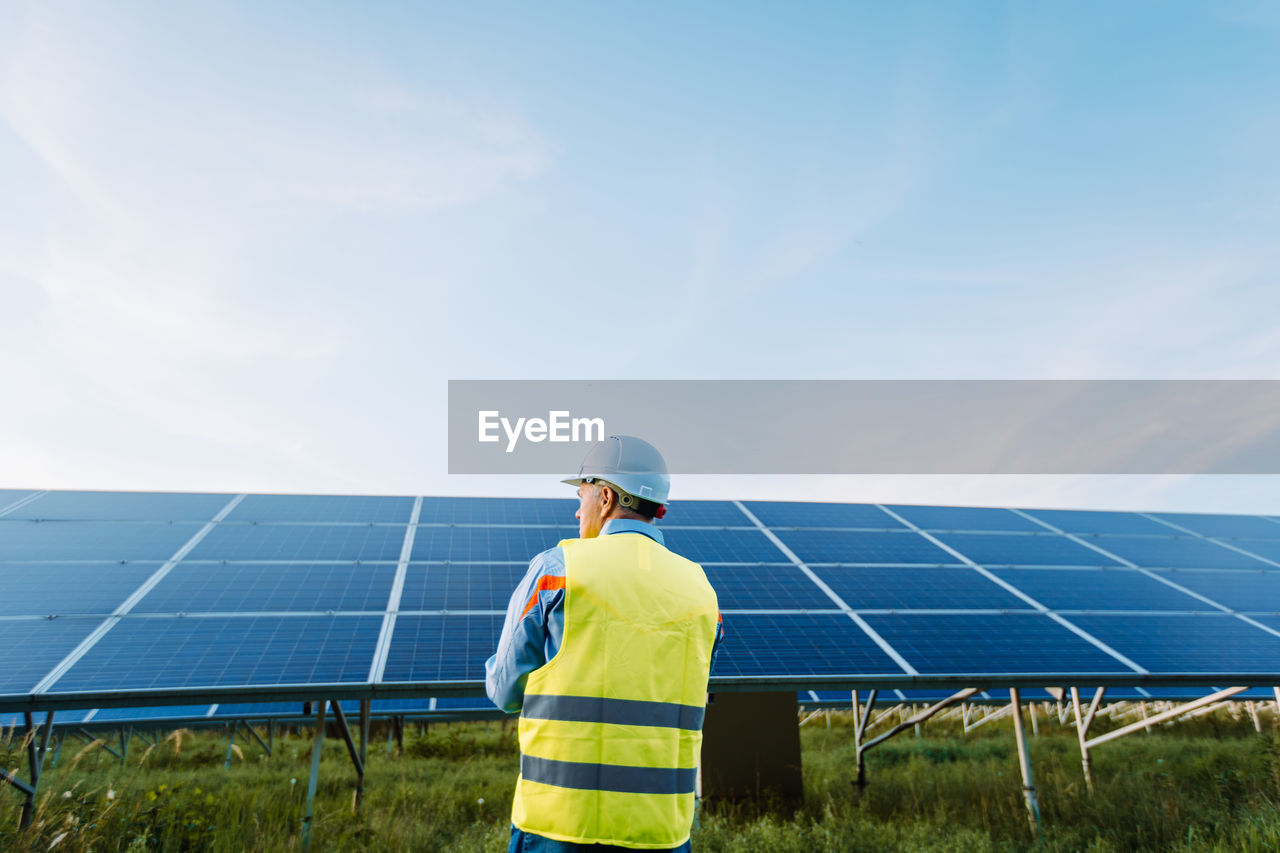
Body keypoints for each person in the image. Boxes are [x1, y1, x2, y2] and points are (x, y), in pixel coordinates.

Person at [486, 435, 723, 853]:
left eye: (582, 495)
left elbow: (504, 691)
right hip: (662, 830)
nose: (578, 510)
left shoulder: (556, 571)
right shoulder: (702, 592)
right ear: (658, 510)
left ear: (607, 497)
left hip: (560, 825)